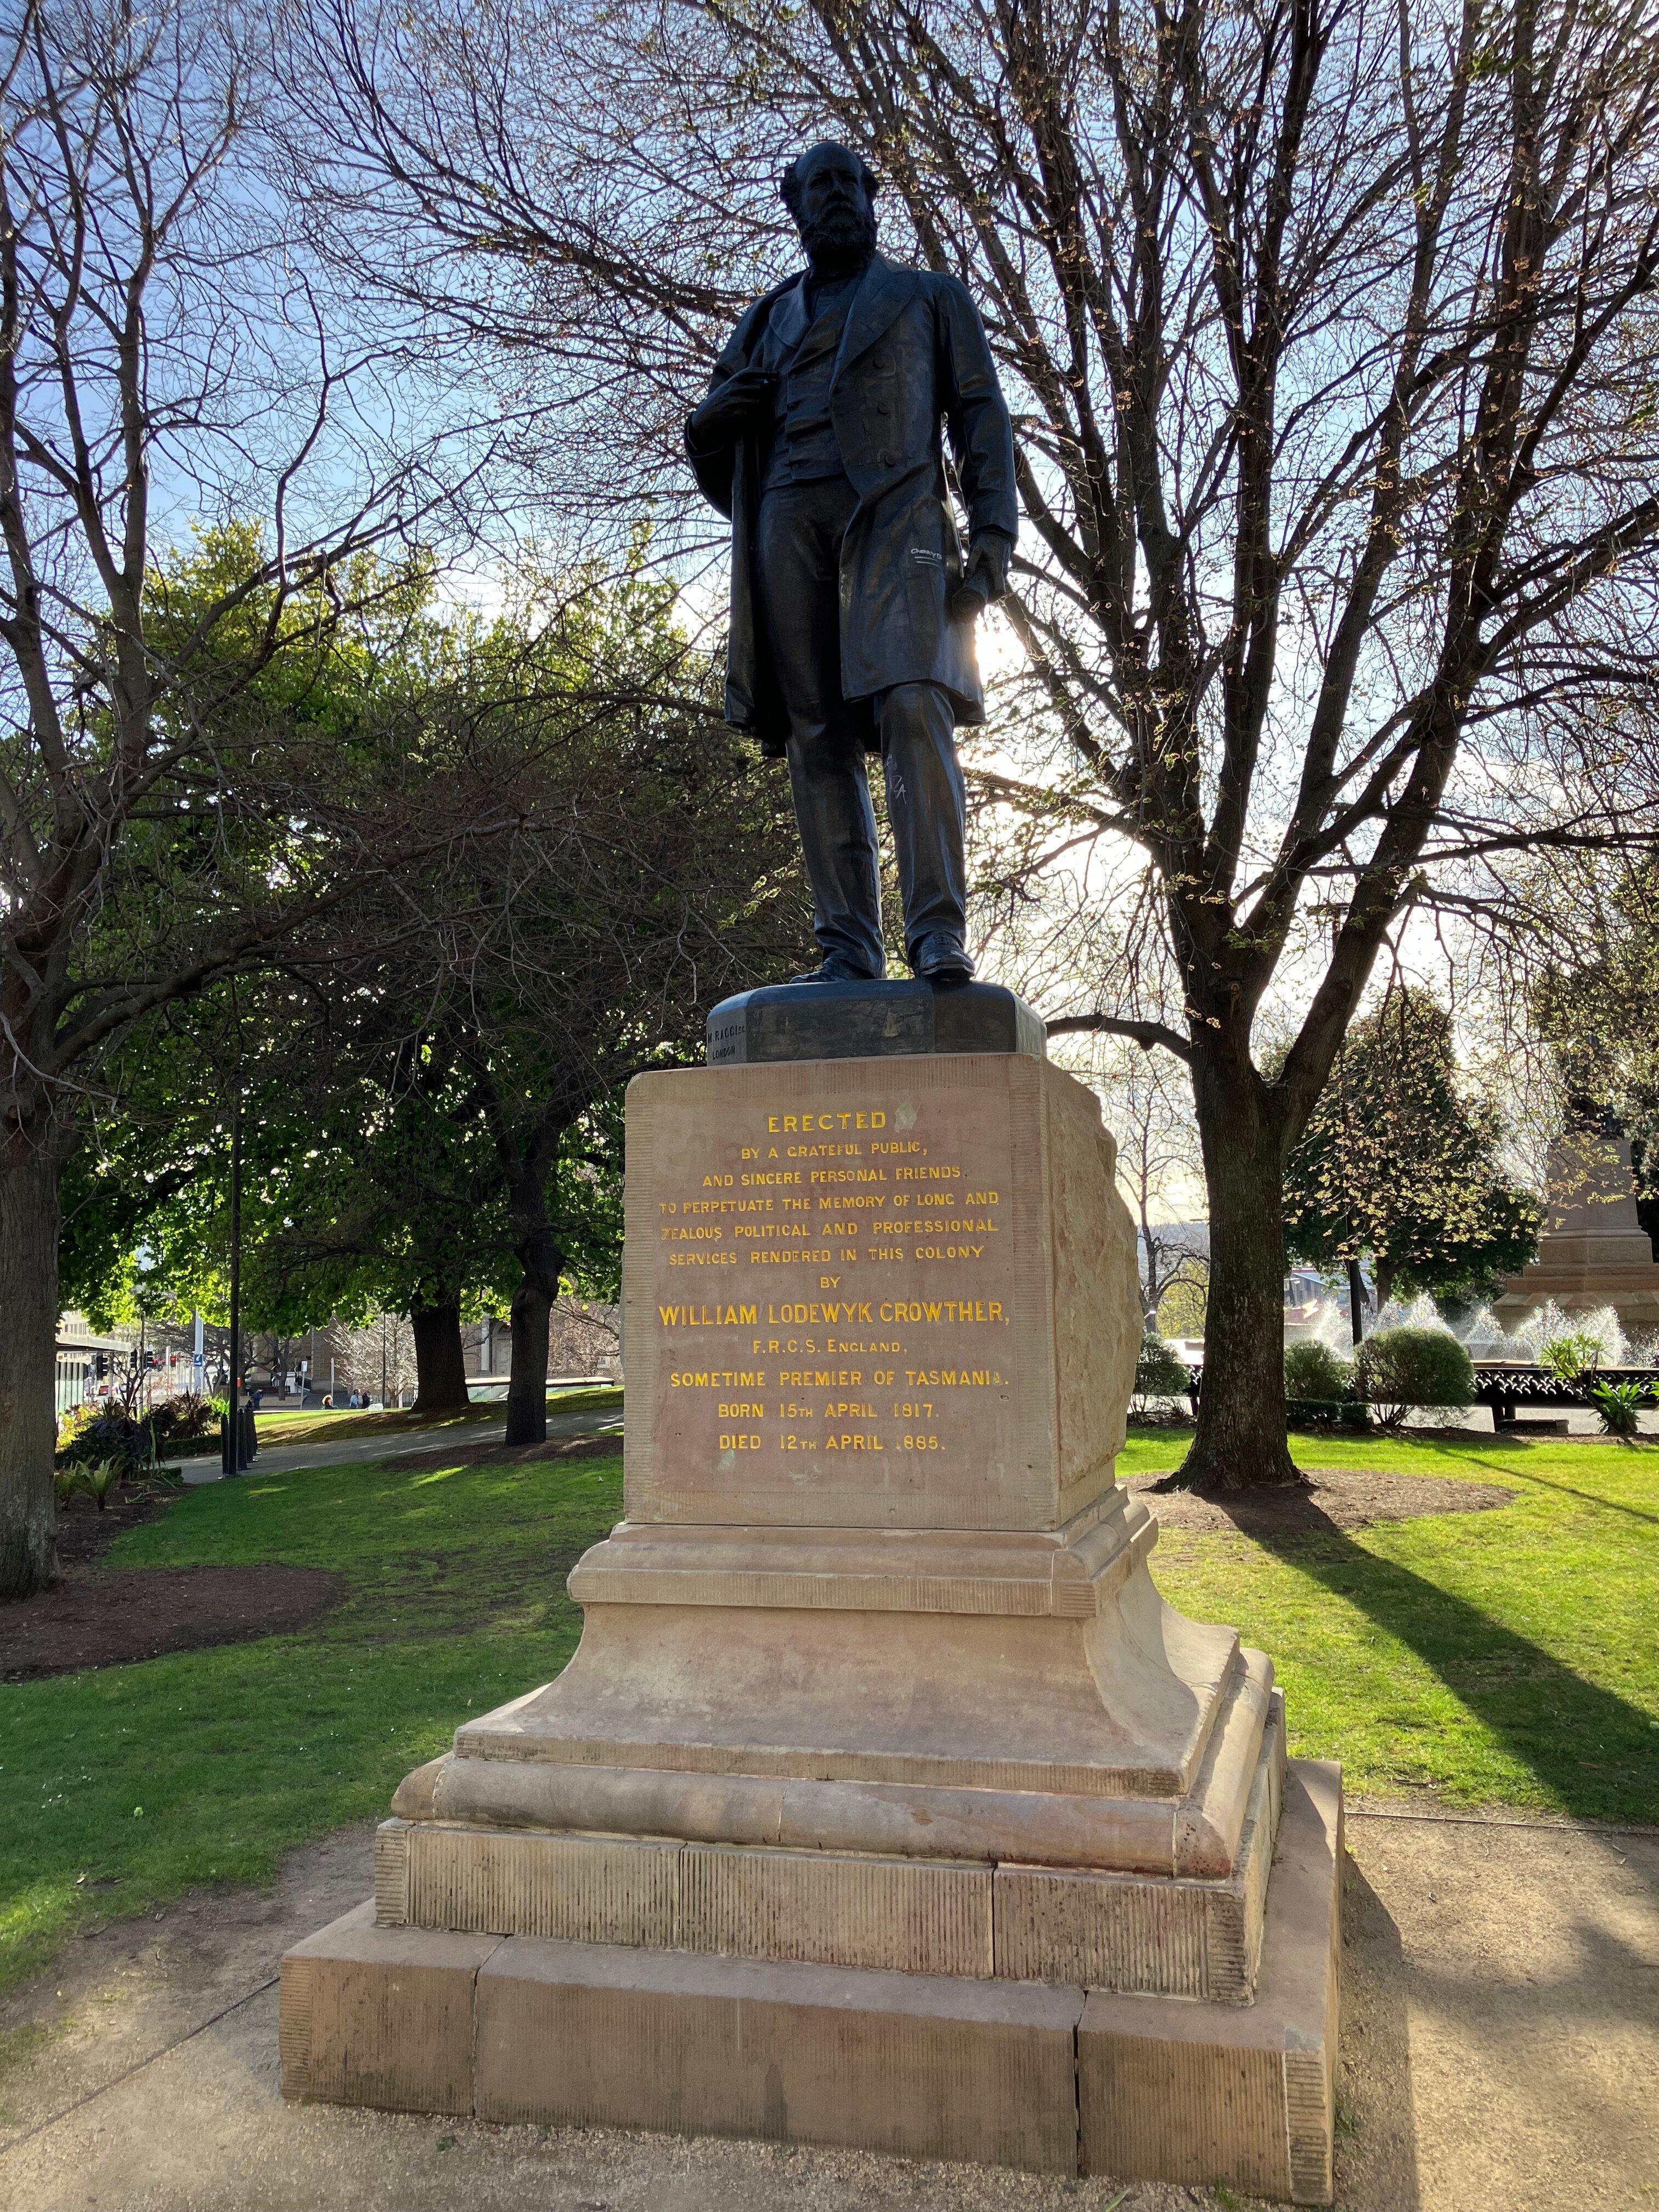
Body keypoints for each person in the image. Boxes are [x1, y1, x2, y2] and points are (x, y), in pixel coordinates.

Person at [686, 141, 1018, 984]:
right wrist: (708, 422)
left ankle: (937, 933)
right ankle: (847, 947)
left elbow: (980, 416)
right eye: (817, 185)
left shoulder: (930, 298)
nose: (835, 197)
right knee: (816, 734)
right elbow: (717, 437)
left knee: (914, 704)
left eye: (848, 182)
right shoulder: (765, 320)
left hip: (896, 516)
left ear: (872, 198)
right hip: (788, 520)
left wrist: (992, 536)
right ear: (794, 206)